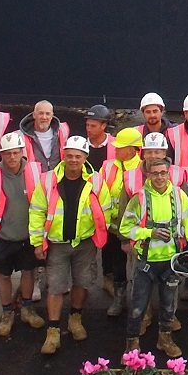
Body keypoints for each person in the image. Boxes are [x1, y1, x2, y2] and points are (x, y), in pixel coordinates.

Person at [121, 144, 188, 359]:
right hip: (146, 262)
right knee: (138, 305)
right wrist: (149, 233)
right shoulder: (139, 198)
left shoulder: (178, 195)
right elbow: (125, 228)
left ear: (169, 173)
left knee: (169, 306)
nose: (159, 177)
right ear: (148, 175)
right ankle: (132, 343)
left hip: (171, 262)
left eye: (163, 173)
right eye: (155, 173)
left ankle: (164, 338)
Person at [29, 135, 110, 355]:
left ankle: (75, 319)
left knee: (82, 283)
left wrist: (98, 236)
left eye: (78, 156)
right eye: (70, 155)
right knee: (55, 286)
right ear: (63, 156)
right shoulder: (48, 180)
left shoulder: (96, 180)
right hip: (58, 244)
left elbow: (106, 209)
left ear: (85, 157)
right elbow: (37, 211)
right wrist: (38, 242)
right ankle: (53, 331)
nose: (73, 160)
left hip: (85, 243)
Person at [0, 130, 44, 339]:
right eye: (7, 154)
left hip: (28, 236)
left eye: (15, 153)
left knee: (28, 272)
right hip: (3, 239)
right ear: (1, 155)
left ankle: (26, 308)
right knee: (2, 276)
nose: (12, 158)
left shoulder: (36, 172)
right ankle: (7, 312)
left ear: (22, 153)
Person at [20, 101, 68, 170]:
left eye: (48, 114)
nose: (44, 117)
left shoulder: (63, 131)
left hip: (57, 179)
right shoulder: (20, 136)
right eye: (41, 113)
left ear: (52, 116)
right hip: (33, 179)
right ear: (34, 115)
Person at [80, 105, 114, 172]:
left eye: (93, 126)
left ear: (103, 126)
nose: (88, 129)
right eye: (87, 125)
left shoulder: (116, 145)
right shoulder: (80, 145)